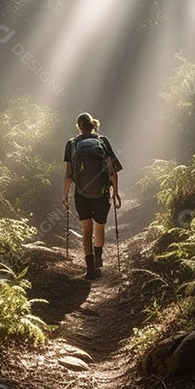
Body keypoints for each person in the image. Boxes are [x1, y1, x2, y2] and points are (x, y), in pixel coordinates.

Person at [63, 112, 122, 279]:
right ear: (92, 125)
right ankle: (98, 260)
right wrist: (115, 192)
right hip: (102, 193)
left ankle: (90, 270)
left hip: (81, 193)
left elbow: (68, 174)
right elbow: (112, 170)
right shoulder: (102, 141)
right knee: (100, 226)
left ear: (78, 126)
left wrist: (65, 195)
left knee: (86, 229)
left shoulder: (71, 144)